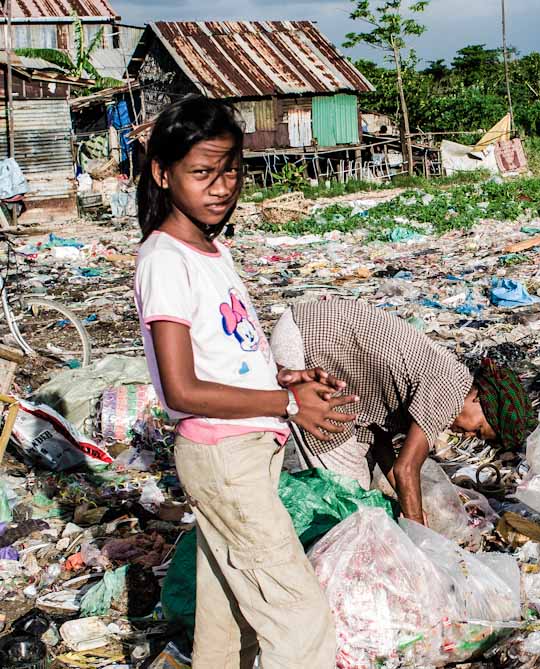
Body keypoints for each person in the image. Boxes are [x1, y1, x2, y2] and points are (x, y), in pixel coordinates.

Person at [133, 96, 354, 668]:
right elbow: (180, 390)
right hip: (223, 453)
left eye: (230, 169)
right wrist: (286, 402)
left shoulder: (212, 250)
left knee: (228, 613)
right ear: (163, 172)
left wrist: (283, 375)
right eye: (201, 172)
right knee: (299, 617)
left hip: (248, 448)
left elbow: (223, 352)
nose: (220, 185)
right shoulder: (165, 259)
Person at [270, 298, 536, 523]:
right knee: (347, 502)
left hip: (324, 348)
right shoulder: (449, 391)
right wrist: (421, 539)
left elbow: (380, 439)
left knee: (358, 492)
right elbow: (406, 468)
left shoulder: (449, 378)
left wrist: (412, 506)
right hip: (309, 340)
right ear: (479, 398)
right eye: (478, 429)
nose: (467, 435)